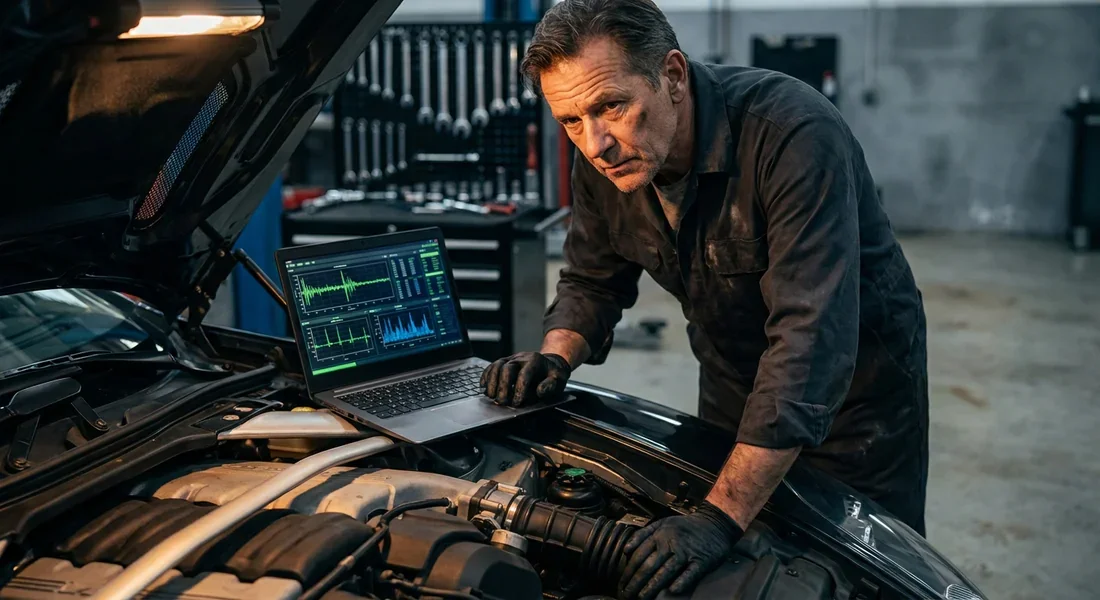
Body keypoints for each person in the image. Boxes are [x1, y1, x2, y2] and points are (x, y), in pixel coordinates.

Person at [478, 0, 929, 598]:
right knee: (742, 572)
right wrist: (555, 356)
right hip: (730, 378)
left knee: (854, 579)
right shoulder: (603, 155)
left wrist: (718, 519)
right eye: (570, 121)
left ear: (672, 75)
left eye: (613, 106)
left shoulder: (790, 133)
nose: (596, 143)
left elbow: (809, 339)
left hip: (855, 402)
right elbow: (592, 277)